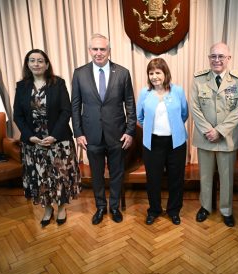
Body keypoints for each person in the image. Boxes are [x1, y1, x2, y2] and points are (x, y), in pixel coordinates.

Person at [71, 33, 136, 225]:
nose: (99, 53)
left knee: (116, 173)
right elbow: (75, 105)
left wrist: (130, 131)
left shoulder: (122, 73)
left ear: (109, 51)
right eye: (95, 49)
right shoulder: (79, 73)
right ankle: (100, 207)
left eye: (102, 49)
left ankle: (114, 207)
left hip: (117, 134)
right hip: (91, 135)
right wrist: (78, 133)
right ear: (89, 50)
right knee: (97, 174)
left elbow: (130, 105)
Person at [13, 49, 81, 227]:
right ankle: (47, 208)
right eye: (32, 60)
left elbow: (66, 111)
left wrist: (53, 136)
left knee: (59, 176)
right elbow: (17, 116)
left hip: (58, 142)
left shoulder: (58, 83)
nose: (36, 64)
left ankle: (61, 208)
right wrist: (31, 137)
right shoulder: (22, 87)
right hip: (34, 144)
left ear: (47, 64)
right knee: (41, 178)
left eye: (40, 61)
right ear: (27, 64)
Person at [190, 42, 238, 227]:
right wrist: (209, 131)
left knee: (226, 177)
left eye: (221, 56)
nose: (217, 60)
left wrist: (220, 131)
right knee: (205, 176)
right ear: (209, 58)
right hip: (205, 137)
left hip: (227, 138)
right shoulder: (199, 79)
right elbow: (195, 107)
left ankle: (226, 210)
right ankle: (205, 207)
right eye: (213, 56)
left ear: (228, 58)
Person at [137, 58, 188, 225]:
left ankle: (174, 210)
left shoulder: (178, 91)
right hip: (152, 143)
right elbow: (140, 117)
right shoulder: (145, 93)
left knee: (176, 178)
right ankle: (154, 210)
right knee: (153, 179)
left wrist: (173, 128)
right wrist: (152, 129)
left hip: (176, 143)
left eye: (158, 72)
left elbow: (184, 114)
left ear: (165, 73)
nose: (154, 76)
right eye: (151, 73)